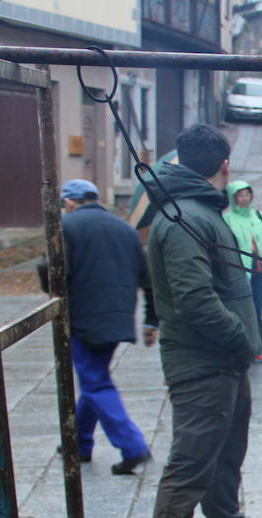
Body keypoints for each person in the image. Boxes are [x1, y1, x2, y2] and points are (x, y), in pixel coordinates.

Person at [146, 124, 262, 518]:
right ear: (224, 166)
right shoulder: (183, 219)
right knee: (191, 464)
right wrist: (239, 339)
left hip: (226, 363)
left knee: (223, 460)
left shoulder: (198, 213)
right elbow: (195, 300)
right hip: (205, 362)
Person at [49, 179, 154, 475]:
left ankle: (132, 446)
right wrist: (151, 319)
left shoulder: (67, 227)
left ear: (69, 202)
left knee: (95, 382)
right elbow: (147, 279)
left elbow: (56, 271)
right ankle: (78, 443)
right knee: (94, 378)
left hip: (84, 318)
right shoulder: (126, 230)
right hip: (119, 318)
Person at [222, 179, 262, 364]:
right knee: (239, 311)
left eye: (247, 195)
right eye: (240, 195)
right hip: (239, 271)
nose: (244, 199)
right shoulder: (228, 219)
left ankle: (255, 347)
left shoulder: (259, 216)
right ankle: (240, 347)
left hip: (259, 269)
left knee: (256, 309)